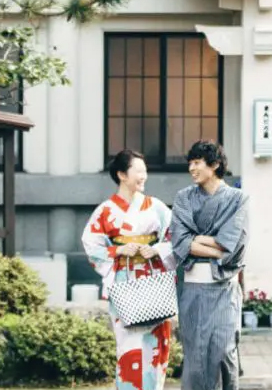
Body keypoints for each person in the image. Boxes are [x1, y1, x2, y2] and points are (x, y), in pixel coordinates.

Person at [82, 150, 175, 390]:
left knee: (156, 345)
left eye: (145, 171)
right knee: (128, 345)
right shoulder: (106, 210)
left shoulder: (156, 207)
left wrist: (156, 250)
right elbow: (91, 244)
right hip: (124, 280)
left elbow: (176, 237)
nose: (144, 176)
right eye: (138, 171)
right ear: (122, 175)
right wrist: (118, 250)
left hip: (153, 279)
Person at [170, 140, 249, 390]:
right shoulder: (184, 198)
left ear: (214, 165)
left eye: (197, 163)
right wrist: (215, 246)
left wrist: (196, 240)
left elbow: (233, 245)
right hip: (192, 288)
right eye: (190, 163)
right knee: (195, 357)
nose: (191, 169)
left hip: (224, 288)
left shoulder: (237, 198)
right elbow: (179, 242)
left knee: (223, 351)